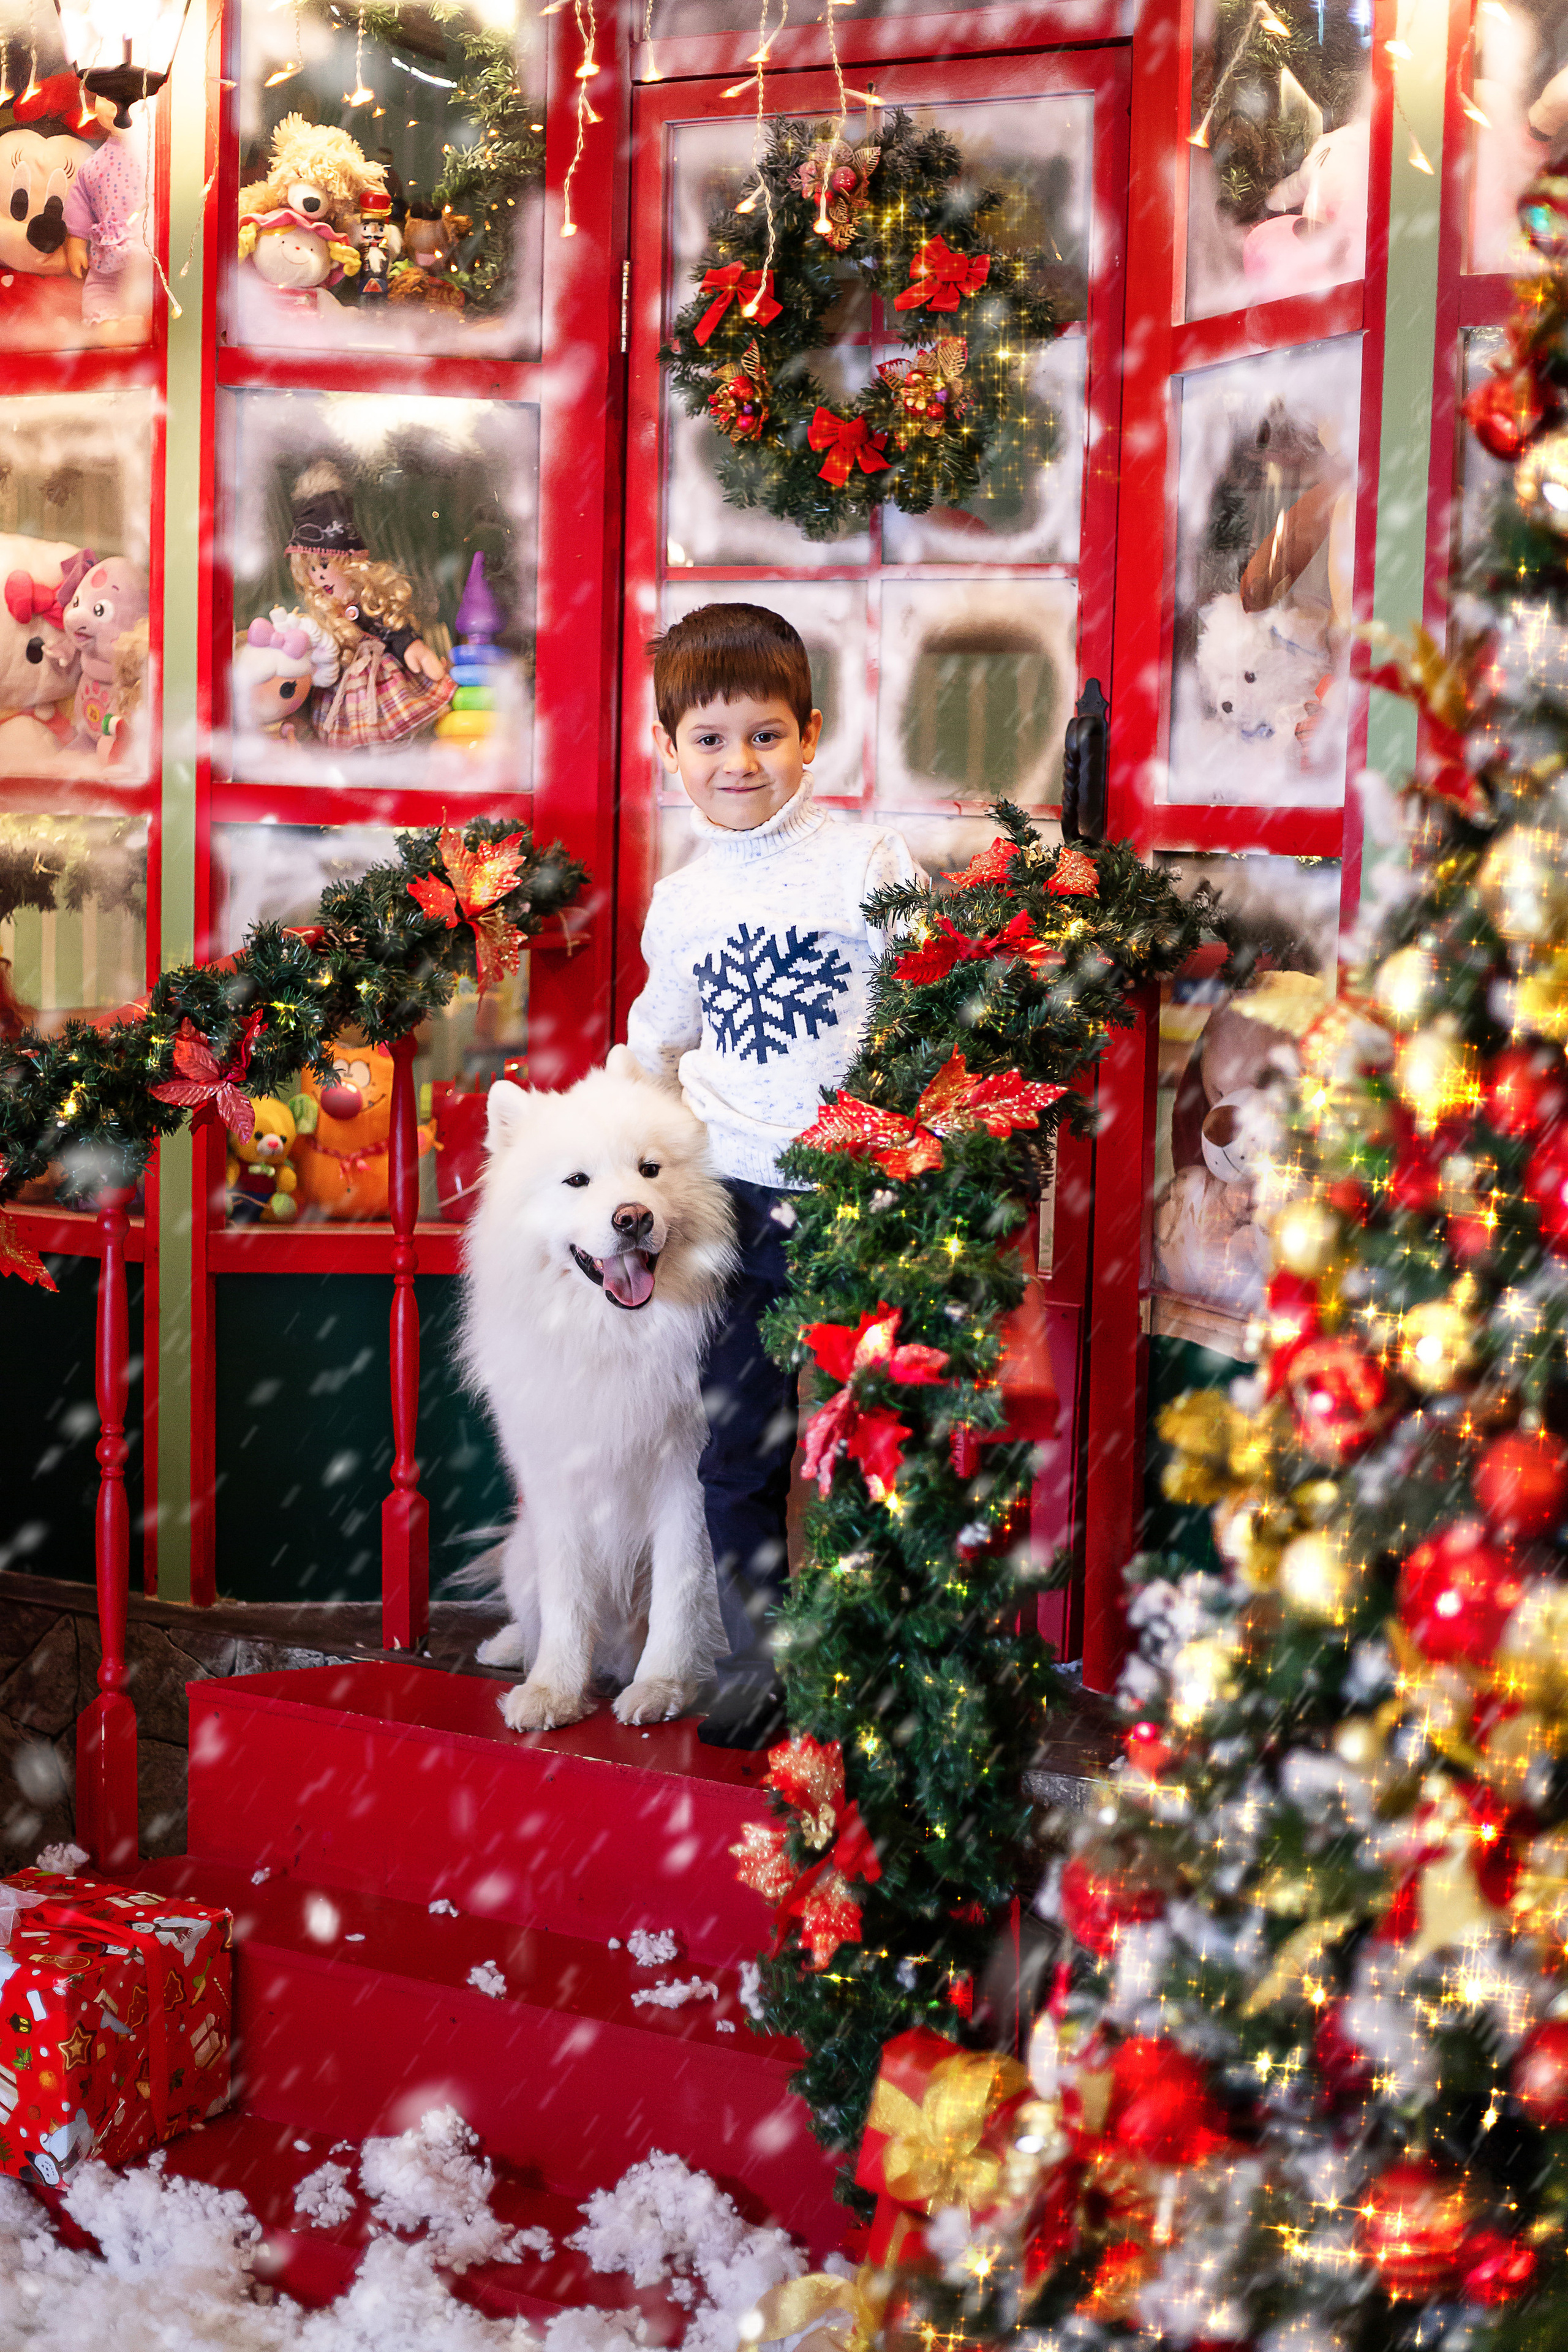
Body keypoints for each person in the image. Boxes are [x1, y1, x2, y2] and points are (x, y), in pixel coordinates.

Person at [625, 603, 918, 1747]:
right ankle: (758, 1658)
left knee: (862, 1438)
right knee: (737, 1445)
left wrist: (893, 1144)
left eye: (764, 735)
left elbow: (925, 1003)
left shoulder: (865, 864)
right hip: (733, 1209)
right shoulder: (686, 902)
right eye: (708, 739)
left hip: (853, 1200)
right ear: (669, 749)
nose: (737, 762)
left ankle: (863, 1657)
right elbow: (658, 1041)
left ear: (811, 735)